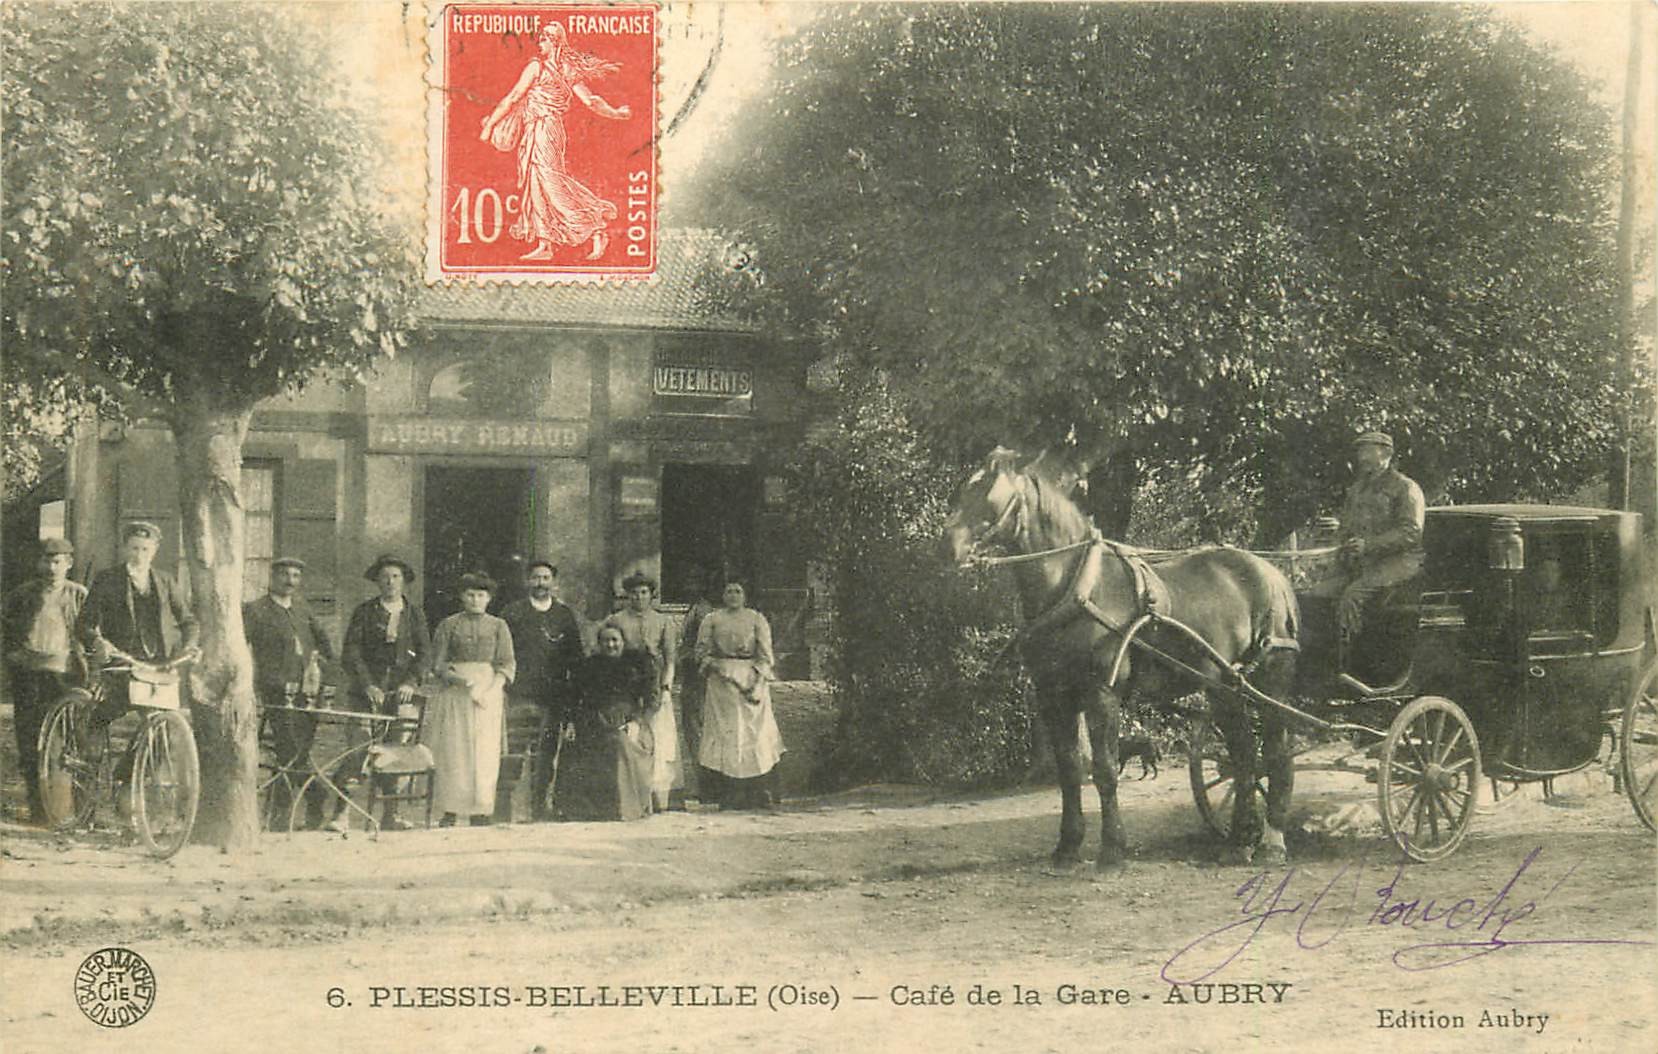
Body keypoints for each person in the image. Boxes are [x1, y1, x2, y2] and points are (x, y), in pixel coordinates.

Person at [478, 21, 632, 261]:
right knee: (537, 183)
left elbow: (514, 97)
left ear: (555, 42)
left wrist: (489, 126)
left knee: (551, 183)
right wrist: (617, 113)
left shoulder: (538, 67)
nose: (539, 43)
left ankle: (594, 227)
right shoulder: (565, 69)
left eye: (544, 39)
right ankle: (545, 243)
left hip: (545, 129)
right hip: (538, 129)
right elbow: (591, 100)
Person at [337, 553, 431, 831]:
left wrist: (410, 682)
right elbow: (351, 652)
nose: (390, 582)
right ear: (377, 581)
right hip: (366, 693)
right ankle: (341, 813)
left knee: (396, 751)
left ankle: (391, 814)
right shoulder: (365, 612)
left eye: (395, 576)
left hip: (400, 694)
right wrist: (368, 684)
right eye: (385, 577)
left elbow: (424, 654)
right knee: (359, 747)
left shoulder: (414, 615)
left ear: (404, 581)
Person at [243, 557, 334, 830]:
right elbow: (241, 647)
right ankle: (316, 792)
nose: (290, 581)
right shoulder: (256, 610)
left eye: (295, 576)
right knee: (290, 747)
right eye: (284, 575)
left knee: (294, 752)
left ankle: (279, 817)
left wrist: (319, 665)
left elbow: (325, 644)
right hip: (275, 690)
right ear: (272, 578)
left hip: (307, 690)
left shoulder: (302, 609)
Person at [2, 538, 87, 824]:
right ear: (38, 563)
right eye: (46, 561)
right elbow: (5, 627)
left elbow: (92, 632)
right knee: (30, 741)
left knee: (70, 743)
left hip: (66, 676)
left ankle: (74, 811)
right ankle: (38, 810)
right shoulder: (22, 595)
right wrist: (13, 655)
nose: (52, 568)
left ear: (68, 564)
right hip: (29, 674)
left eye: (58, 562)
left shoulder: (79, 595)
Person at [424, 572, 516, 827]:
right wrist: (462, 681)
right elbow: (438, 664)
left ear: (489, 598)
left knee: (485, 750)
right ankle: (451, 809)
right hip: (457, 693)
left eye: (481, 595)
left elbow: (507, 663)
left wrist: (492, 689)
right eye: (470, 594)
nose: (475, 600)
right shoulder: (448, 625)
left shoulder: (499, 626)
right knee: (455, 750)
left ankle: (481, 810)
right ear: (462, 597)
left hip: (489, 693)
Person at [1323, 431, 1426, 655]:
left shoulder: (1406, 488)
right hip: (1363, 562)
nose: (1362, 458)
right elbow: (1346, 527)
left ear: (1387, 454)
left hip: (1401, 562)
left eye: (1369, 451)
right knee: (1317, 593)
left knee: (1352, 596)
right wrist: (1337, 543)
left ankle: (1348, 661)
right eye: (1361, 452)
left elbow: (1411, 532)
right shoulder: (1357, 490)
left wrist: (1369, 545)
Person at [499, 560, 585, 821]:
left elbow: (576, 658)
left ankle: (538, 807)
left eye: (546, 578)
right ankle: (506, 808)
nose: (540, 583)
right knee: (514, 748)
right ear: (527, 581)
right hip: (519, 693)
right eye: (536, 577)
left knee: (545, 752)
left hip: (552, 695)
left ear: (553, 583)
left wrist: (571, 696)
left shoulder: (564, 615)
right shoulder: (512, 613)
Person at [695, 579, 785, 810]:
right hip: (722, 683)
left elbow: (766, 655)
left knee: (755, 733)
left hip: (751, 678)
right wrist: (717, 667)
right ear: (722, 595)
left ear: (745, 595)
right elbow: (701, 652)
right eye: (728, 591)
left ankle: (759, 791)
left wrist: (756, 682)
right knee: (727, 734)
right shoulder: (712, 619)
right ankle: (728, 793)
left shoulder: (756, 619)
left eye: (738, 591)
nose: (733, 595)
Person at [555, 624, 655, 821]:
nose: (610, 645)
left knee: (618, 743)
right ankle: (584, 809)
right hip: (592, 721)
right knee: (576, 747)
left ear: (623, 642)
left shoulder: (634, 667)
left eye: (614, 640)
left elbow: (647, 701)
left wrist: (636, 722)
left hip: (626, 721)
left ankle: (618, 807)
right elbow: (574, 697)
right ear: (599, 644)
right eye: (605, 641)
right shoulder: (588, 666)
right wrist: (571, 723)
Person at [605, 572, 679, 811]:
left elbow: (670, 660)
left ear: (651, 595)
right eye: (634, 593)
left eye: (644, 592)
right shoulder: (616, 620)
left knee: (659, 737)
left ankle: (659, 796)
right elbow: (609, 651)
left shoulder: (663, 621)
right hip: (626, 683)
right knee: (632, 735)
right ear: (627, 595)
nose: (639, 597)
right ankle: (634, 792)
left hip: (655, 684)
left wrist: (666, 687)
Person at [676, 566, 720, 796]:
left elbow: (704, 646)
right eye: (687, 582)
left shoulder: (703, 611)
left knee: (697, 727)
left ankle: (708, 784)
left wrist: (685, 656)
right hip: (692, 676)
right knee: (694, 727)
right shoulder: (695, 608)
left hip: (697, 677)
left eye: (693, 582)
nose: (688, 586)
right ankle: (706, 783)